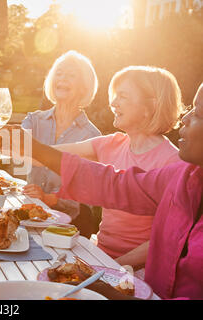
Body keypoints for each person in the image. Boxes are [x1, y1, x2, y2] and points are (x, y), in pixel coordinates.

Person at [3, 82, 203, 300]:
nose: (186, 117)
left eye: (199, 112)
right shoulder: (185, 175)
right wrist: (34, 148)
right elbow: (114, 185)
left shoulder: (171, 160)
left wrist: (109, 290)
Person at [51, 66, 183, 270]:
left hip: (139, 269)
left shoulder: (173, 162)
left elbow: (166, 238)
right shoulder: (111, 144)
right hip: (101, 254)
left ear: (151, 105)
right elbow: (52, 155)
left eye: (122, 96)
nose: (113, 103)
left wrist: (111, 267)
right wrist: (11, 144)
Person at [21, 50, 101, 225]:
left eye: (71, 75)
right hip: (30, 214)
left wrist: (49, 198)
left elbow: (86, 190)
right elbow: (18, 151)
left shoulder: (92, 136)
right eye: (59, 73)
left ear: (84, 87)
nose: (62, 79)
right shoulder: (34, 120)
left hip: (70, 223)